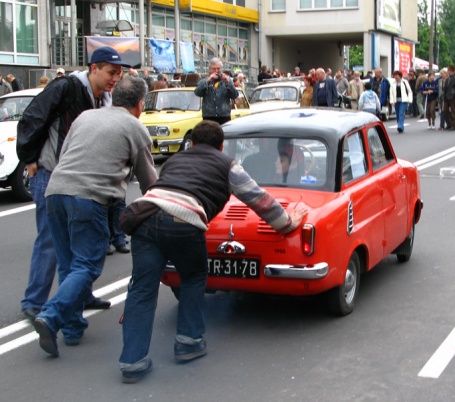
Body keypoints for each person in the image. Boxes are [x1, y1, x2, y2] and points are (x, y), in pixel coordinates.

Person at [118, 120, 307, 383]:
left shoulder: (174, 161)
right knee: (194, 277)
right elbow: (258, 199)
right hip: (183, 221)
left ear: (192, 143)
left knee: (141, 289)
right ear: (220, 146)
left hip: (145, 217)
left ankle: (132, 362)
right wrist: (287, 222)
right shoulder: (228, 165)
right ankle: (188, 341)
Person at [32, 76, 158, 357]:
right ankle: (51, 316)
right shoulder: (134, 127)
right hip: (89, 198)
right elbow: (148, 180)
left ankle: (73, 328)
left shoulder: (85, 117)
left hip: (55, 192)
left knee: (70, 265)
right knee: (87, 265)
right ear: (140, 104)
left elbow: (65, 155)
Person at [16, 46, 129, 321]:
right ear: (94, 68)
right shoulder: (66, 87)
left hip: (80, 180)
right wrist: (30, 158)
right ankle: (34, 301)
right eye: (111, 73)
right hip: (50, 173)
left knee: (84, 242)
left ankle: (80, 294)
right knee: (50, 241)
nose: (115, 78)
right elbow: (32, 118)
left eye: (119, 74)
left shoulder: (103, 98)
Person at [194, 57, 238, 125]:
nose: (216, 71)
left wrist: (227, 83)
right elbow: (197, 93)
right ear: (210, 70)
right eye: (214, 69)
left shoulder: (228, 81)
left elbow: (235, 95)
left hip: (223, 115)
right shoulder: (204, 81)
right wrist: (208, 81)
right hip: (209, 116)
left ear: (221, 69)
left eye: (218, 68)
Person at [443, 64, 455, 131]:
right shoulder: (448, 78)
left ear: (450, 70)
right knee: (445, 110)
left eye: (448, 69)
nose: (447, 71)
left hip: (453, 97)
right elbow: (445, 88)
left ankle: (453, 125)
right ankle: (448, 124)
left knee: (453, 112)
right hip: (446, 97)